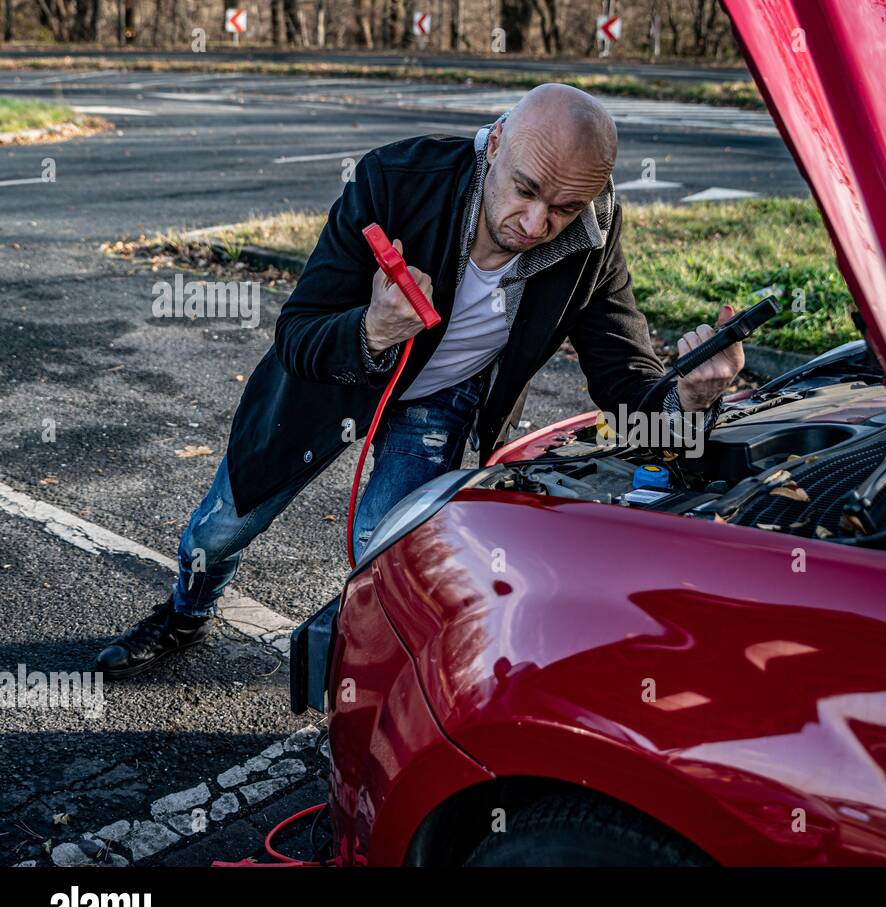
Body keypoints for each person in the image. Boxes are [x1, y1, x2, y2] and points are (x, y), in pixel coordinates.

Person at [95, 83, 744, 678]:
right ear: (494, 144)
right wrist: (374, 328)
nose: (536, 223)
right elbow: (298, 332)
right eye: (525, 189)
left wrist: (686, 398)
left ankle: (374, 681)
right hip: (333, 379)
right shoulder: (396, 179)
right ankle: (188, 610)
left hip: (444, 394)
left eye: (564, 207)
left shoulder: (594, 237)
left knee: (390, 548)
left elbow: (623, 375)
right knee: (218, 532)